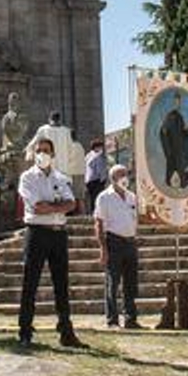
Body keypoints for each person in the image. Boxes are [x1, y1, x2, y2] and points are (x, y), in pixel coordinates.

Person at [16, 136, 83, 348]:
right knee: (30, 282)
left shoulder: (61, 177)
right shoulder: (27, 178)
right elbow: (36, 207)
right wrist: (58, 206)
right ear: (34, 154)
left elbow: (72, 203)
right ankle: (25, 331)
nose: (42, 154)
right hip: (37, 232)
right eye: (39, 151)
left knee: (61, 284)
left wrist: (52, 207)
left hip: (58, 233)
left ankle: (66, 330)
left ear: (53, 154)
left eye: (46, 150)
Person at [94, 163, 141, 330]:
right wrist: (103, 248)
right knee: (112, 283)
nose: (124, 178)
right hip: (113, 242)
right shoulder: (104, 197)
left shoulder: (132, 196)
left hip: (130, 242)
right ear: (112, 179)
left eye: (126, 174)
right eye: (120, 175)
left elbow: (135, 218)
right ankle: (112, 320)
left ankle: (130, 318)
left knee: (130, 283)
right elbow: (99, 223)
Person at [84, 140, 109, 211]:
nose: (102, 149)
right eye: (100, 147)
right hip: (97, 180)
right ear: (96, 147)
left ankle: (93, 212)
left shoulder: (88, 156)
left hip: (88, 180)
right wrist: (103, 179)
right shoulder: (98, 156)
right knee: (98, 198)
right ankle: (97, 213)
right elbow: (100, 169)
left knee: (92, 198)